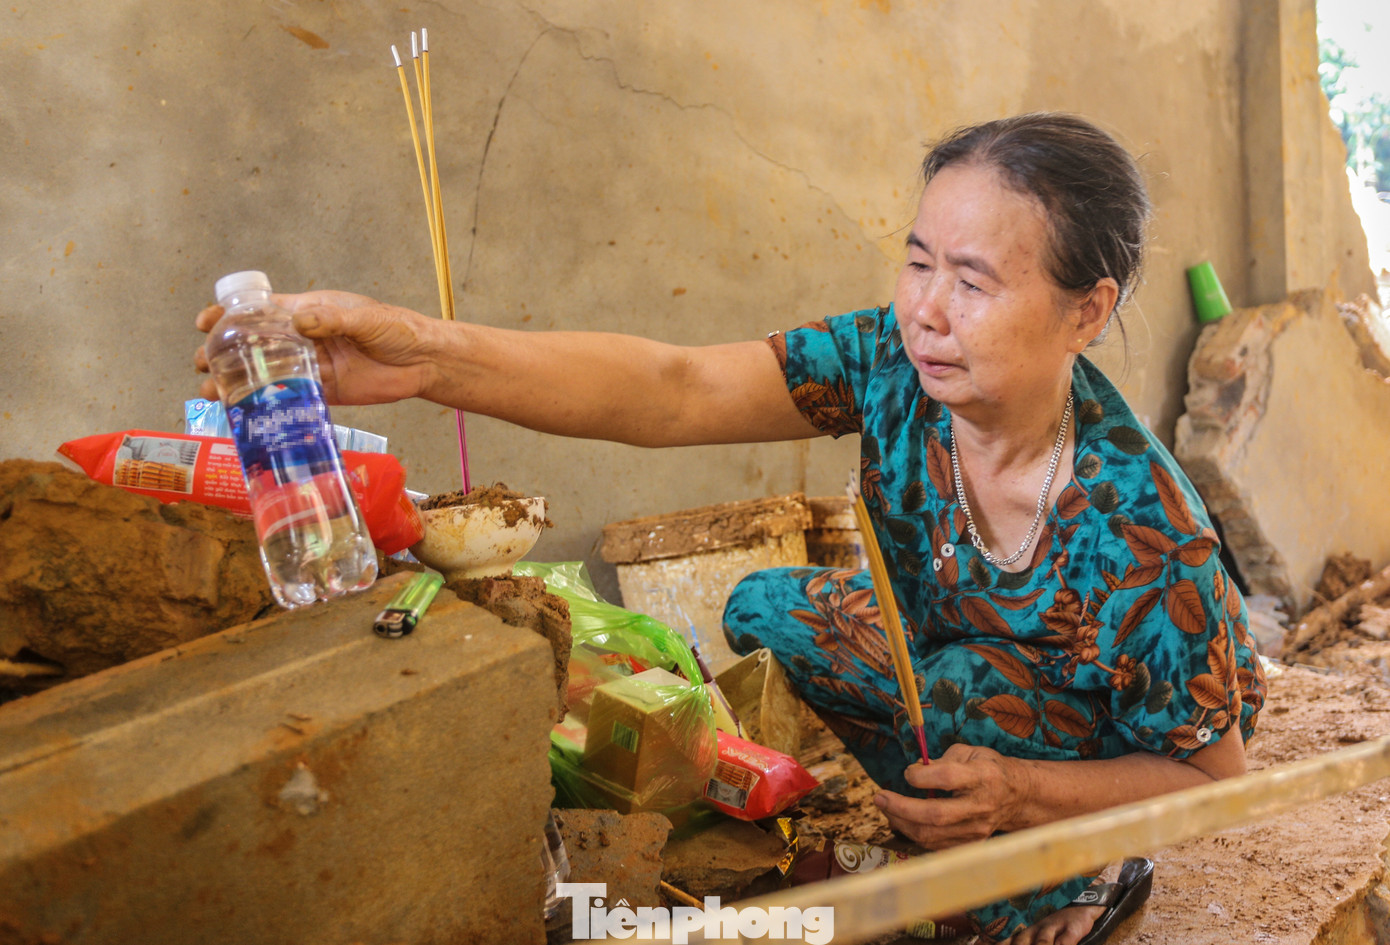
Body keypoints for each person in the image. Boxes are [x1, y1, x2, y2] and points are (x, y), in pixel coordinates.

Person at [195, 112, 1265, 945]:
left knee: (959, 710)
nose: (927, 308)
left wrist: (1019, 791)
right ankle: (955, 809)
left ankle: (1080, 863)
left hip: (1118, 732)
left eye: (973, 280)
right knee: (770, 608)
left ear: (1087, 309)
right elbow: (672, 387)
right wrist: (428, 358)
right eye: (918, 260)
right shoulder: (893, 365)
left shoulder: (1136, 530)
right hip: (956, 662)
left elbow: (1216, 788)